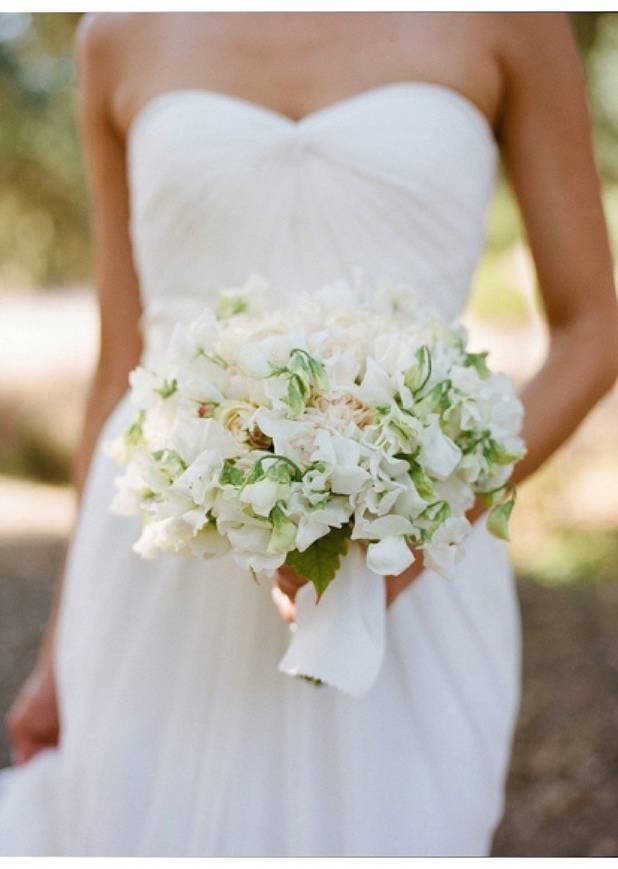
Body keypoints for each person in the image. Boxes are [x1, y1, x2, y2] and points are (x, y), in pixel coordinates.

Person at [1, 11, 617, 856]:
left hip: (417, 560)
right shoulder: (119, 33)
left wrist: (428, 523)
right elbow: (122, 363)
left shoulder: (512, 21)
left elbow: (594, 331)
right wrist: (57, 649)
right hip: (159, 580)